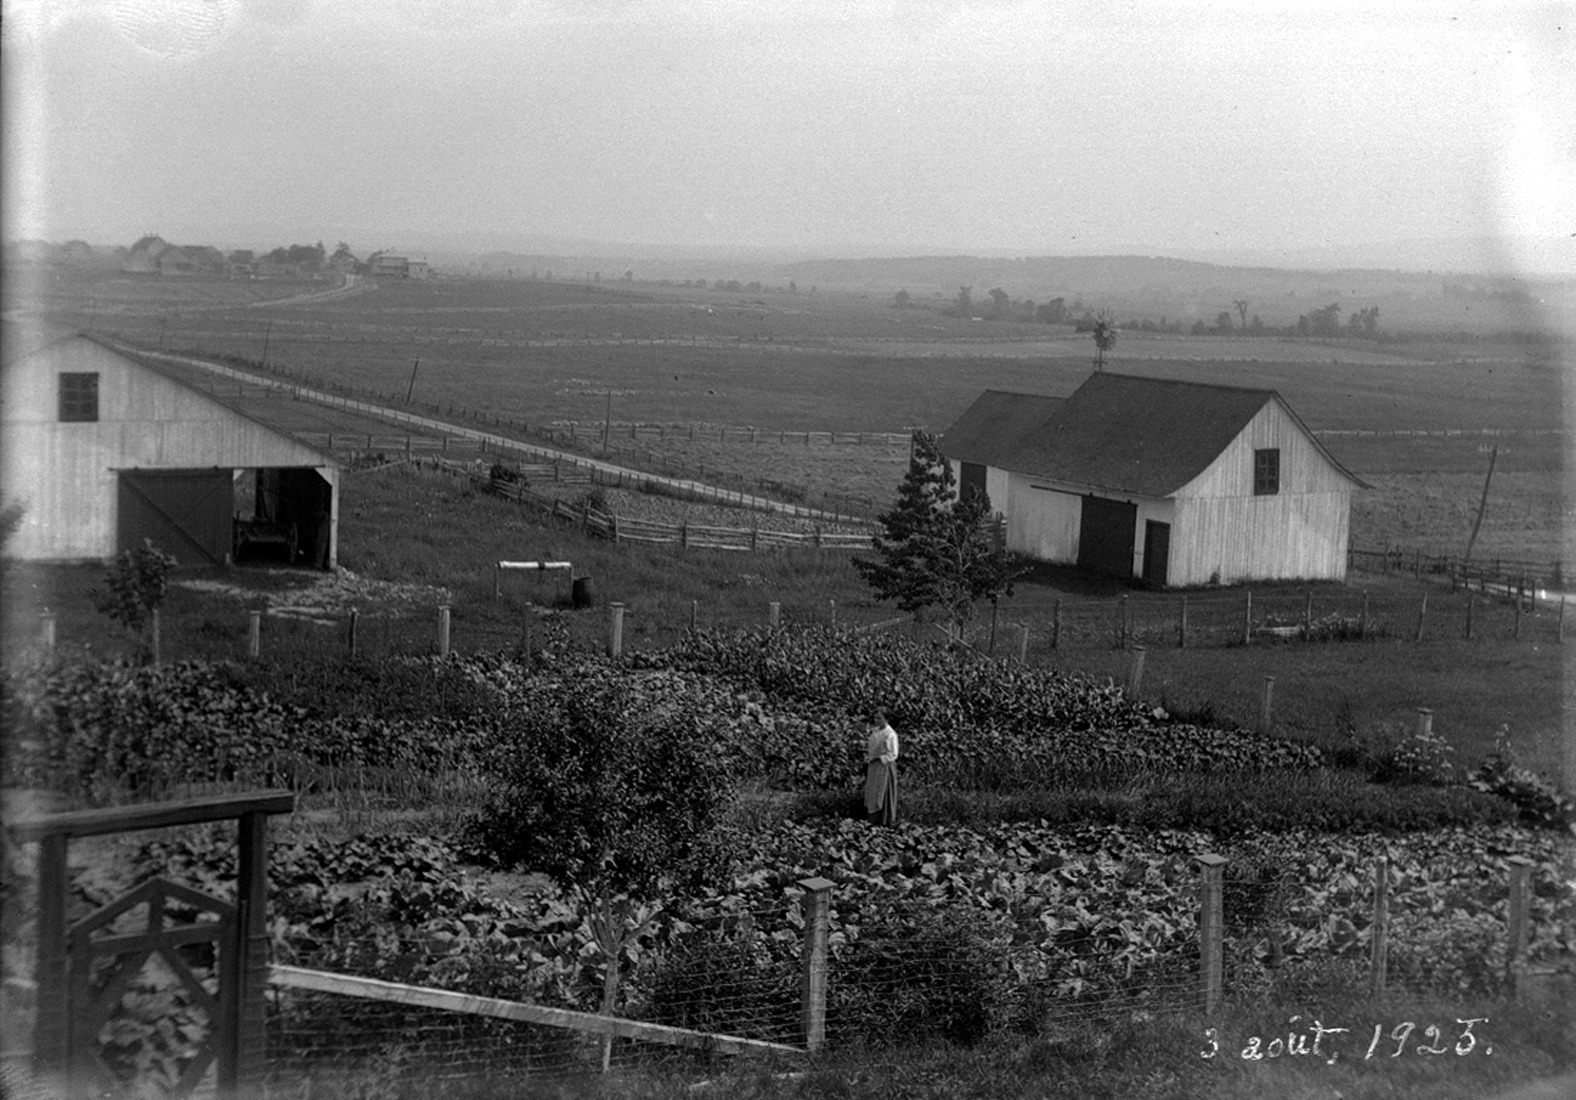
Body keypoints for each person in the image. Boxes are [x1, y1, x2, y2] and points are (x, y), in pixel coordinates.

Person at [863, 709, 899, 826]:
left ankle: (884, 820)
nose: (876, 720)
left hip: (884, 767)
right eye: (875, 718)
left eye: (879, 718)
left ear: (886, 719)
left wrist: (879, 758)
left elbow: (893, 754)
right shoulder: (875, 732)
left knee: (882, 792)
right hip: (874, 766)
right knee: (872, 792)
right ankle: (872, 819)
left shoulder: (890, 734)